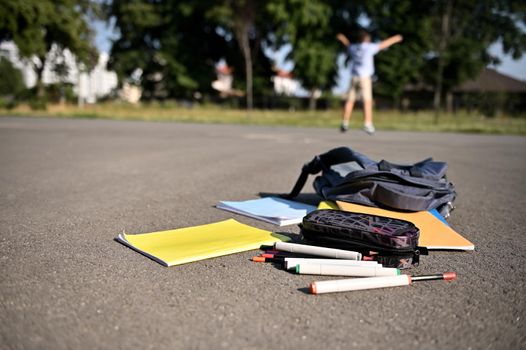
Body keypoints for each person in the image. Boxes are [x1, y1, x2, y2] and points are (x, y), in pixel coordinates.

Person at [337, 31, 403, 134]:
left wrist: (342, 38)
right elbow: (383, 44)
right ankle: (367, 123)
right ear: (367, 40)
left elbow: (347, 45)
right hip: (365, 78)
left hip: (354, 77)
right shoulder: (369, 48)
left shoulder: (354, 47)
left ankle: (345, 123)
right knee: (367, 101)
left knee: (350, 100)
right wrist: (395, 38)